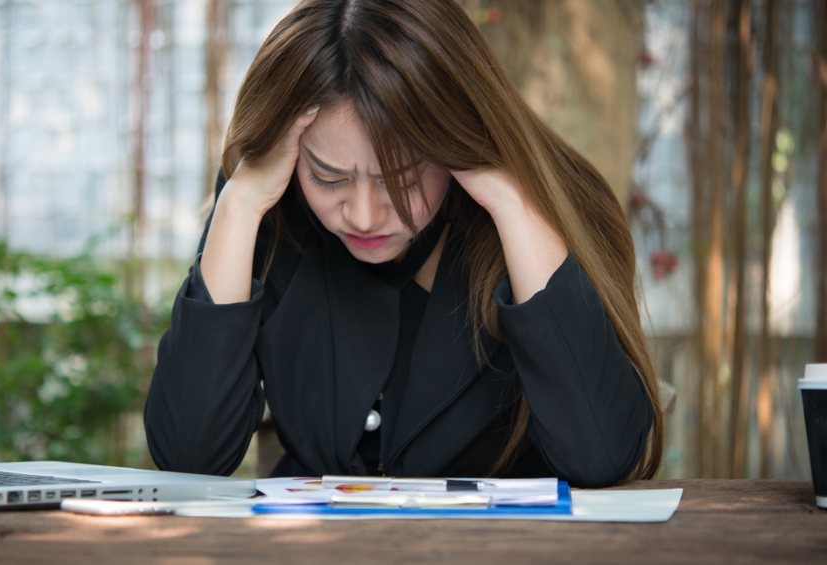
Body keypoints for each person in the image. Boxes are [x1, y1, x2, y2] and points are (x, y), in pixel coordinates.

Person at [144, 0, 663, 488]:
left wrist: (513, 204)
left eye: (403, 179)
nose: (364, 215)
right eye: (328, 177)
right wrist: (238, 204)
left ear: (456, 144)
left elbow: (602, 456)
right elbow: (191, 458)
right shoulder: (266, 211)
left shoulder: (545, 205)